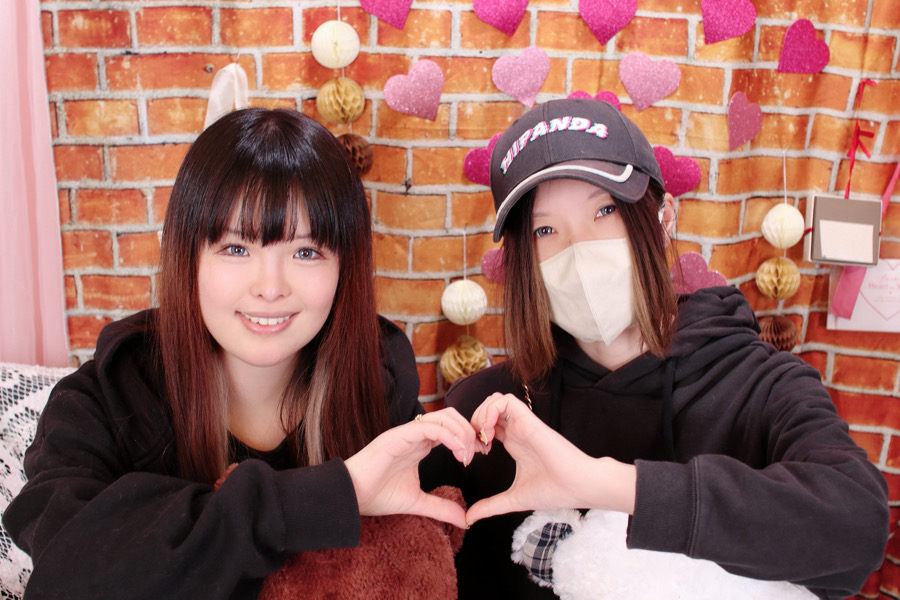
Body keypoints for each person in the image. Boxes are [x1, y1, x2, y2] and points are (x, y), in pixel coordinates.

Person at [420, 98, 890, 599]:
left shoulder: (759, 384)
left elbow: (855, 527)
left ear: (663, 217)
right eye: (545, 230)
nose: (579, 249)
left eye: (605, 210)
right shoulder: (486, 412)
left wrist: (606, 485)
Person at [3, 108, 478, 600]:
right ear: (189, 255)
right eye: (236, 248)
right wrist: (336, 494)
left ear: (345, 268)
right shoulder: (108, 396)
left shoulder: (379, 390)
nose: (269, 288)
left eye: (306, 252)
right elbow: (66, 574)